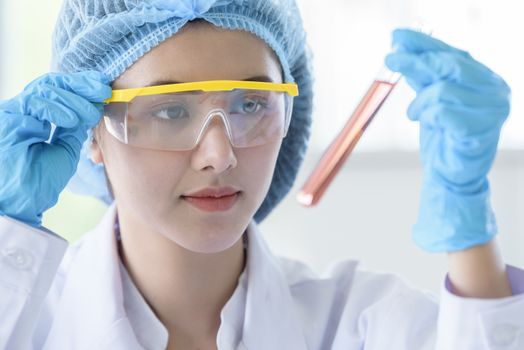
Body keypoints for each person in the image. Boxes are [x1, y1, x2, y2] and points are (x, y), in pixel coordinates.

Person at [0, 0, 522, 349]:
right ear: (92, 131)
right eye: (170, 111)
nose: (219, 156)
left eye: (251, 103)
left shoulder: (359, 321)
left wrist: (469, 227)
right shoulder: (25, 314)